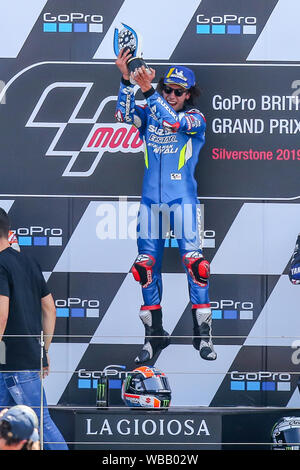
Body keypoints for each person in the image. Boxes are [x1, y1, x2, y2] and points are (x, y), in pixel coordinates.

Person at [115, 49, 217, 364]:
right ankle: (154, 336)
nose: (171, 95)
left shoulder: (194, 119)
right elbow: (123, 115)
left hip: (182, 200)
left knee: (195, 265)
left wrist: (147, 90)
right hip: (150, 203)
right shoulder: (148, 112)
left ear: (189, 94)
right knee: (144, 266)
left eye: (178, 91)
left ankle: (203, 336)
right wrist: (124, 80)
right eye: (167, 89)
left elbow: (172, 122)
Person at [0, 208, 68, 450]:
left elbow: (2, 313)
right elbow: (50, 308)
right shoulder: (27, 261)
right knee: (11, 432)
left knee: (41, 425)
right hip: (25, 359)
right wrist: (43, 351)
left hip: (9, 364)